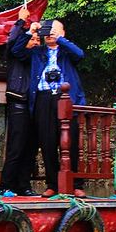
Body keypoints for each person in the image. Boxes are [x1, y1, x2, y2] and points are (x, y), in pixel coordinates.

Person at [27, 19, 86, 197]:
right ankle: (52, 184)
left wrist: (59, 40)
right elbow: (16, 50)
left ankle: (75, 184)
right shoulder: (37, 53)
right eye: (47, 30)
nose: (49, 33)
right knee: (47, 142)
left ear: (62, 33)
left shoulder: (67, 52)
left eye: (53, 30)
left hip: (66, 99)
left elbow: (80, 54)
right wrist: (31, 31)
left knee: (71, 142)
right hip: (43, 99)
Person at [0, 5, 40, 196]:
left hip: (35, 103)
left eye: (36, 39)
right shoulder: (18, 52)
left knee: (30, 148)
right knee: (16, 146)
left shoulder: (37, 56)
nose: (35, 41)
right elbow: (13, 45)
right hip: (18, 100)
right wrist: (22, 22)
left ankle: (24, 185)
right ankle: (7, 185)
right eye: (32, 39)